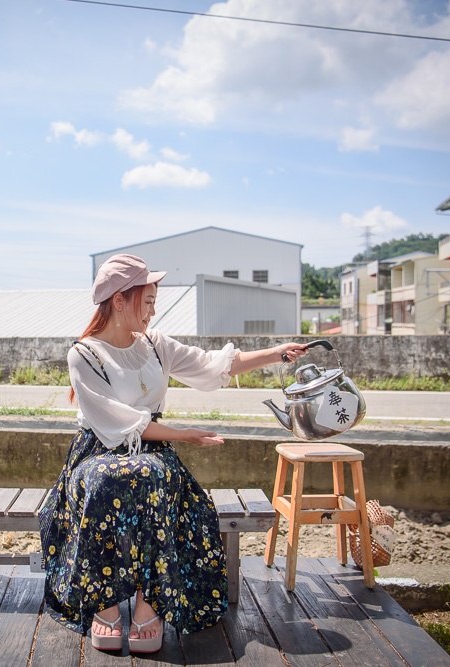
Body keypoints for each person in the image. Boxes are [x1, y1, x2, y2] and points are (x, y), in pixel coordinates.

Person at [38, 253, 309, 653]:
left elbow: (215, 365)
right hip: (98, 449)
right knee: (104, 478)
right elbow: (119, 423)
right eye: (146, 302)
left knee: (153, 473)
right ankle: (106, 604)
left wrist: (275, 353)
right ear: (119, 300)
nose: (152, 311)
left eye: (153, 303)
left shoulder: (156, 344)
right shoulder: (84, 354)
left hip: (154, 451)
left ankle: (151, 604)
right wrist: (184, 435)